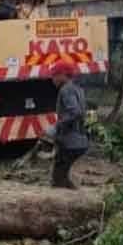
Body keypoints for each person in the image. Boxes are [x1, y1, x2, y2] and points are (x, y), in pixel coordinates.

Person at [48, 61, 89, 189]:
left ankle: (63, 193)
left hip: (70, 140)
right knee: (61, 170)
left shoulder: (66, 90)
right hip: (81, 140)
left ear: (63, 75)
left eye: (54, 75)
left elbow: (75, 112)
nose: (52, 79)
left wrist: (57, 126)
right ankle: (68, 186)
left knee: (58, 174)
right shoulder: (77, 88)